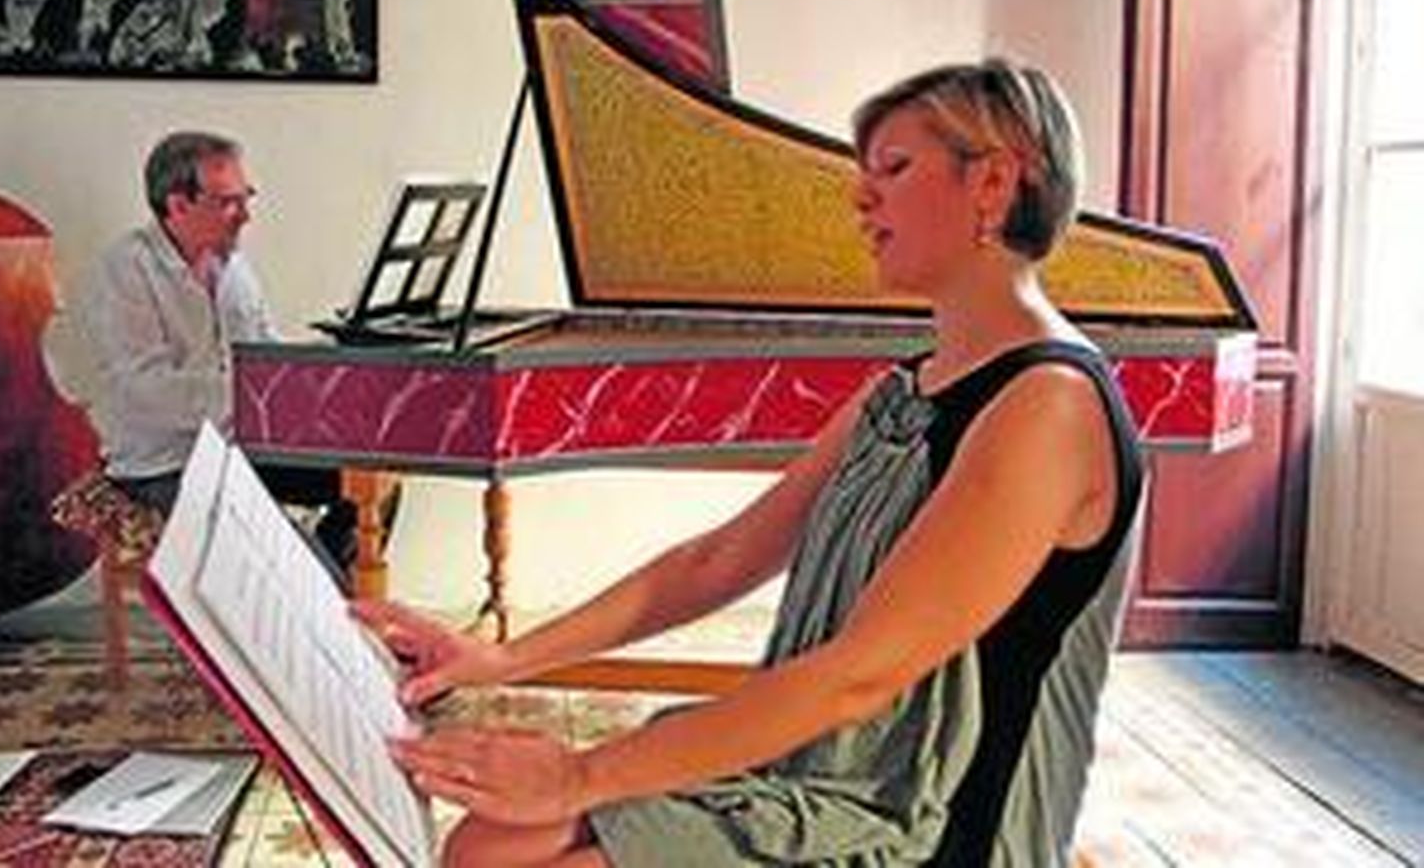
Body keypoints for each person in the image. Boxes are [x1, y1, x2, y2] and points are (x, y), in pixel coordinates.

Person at [357, 59, 1146, 867]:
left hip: (936, 822)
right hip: (823, 772)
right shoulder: (906, 387)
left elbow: (860, 677)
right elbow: (717, 559)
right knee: (489, 845)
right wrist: (500, 657)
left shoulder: (1048, 407)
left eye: (895, 169)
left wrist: (579, 774)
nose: (860, 196)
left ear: (993, 184)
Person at [82, 130, 357, 563]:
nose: (245, 215)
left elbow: (263, 348)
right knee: (292, 563)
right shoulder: (125, 270)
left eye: (247, 197)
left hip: (238, 451)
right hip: (163, 465)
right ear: (177, 204)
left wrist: (322, 363)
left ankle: (323, 598)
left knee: (363, 476)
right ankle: (315, 601)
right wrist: (256, 393)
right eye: (229, 202)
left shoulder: (232, 263)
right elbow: (147, 392)